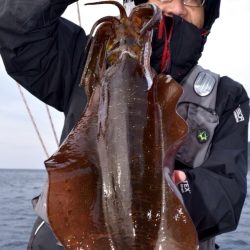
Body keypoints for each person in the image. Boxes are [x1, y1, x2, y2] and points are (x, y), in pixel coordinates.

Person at [0, 0, 248, 249]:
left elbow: (225, 193)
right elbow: (17, 28)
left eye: (193, 0)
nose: (178, 7)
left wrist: (159, 194)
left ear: (207, 16)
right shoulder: (85, 64)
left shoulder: (226, 97)